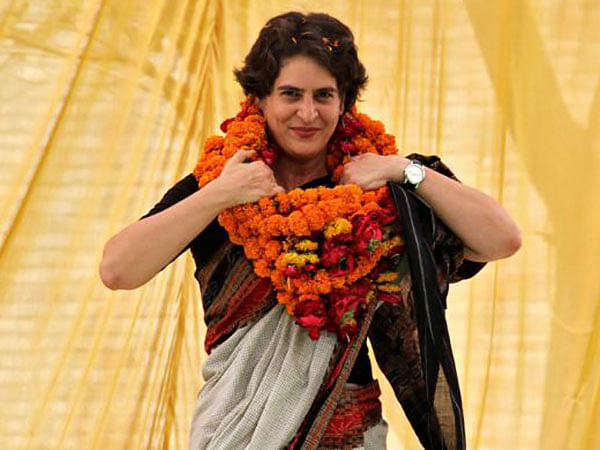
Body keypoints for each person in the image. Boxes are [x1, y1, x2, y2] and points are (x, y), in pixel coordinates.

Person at [99, 11, 521, 450]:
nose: (307, 113)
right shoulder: (223, 184)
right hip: (235, 431)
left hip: (348, 436)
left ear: (345, 102)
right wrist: (220, 194)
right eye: (290, 94)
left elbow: (501, 239)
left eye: (324, 95)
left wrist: (403, 170)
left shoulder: (379, 195)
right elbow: (118, 269)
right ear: (258, 98)